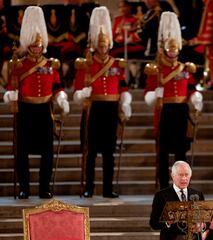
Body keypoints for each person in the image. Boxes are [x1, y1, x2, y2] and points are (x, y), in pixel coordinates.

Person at [2, 6, 70, 199]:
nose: (36, 48)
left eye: (39, 45)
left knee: (47, 153)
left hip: (44, 111)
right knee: (22, 152)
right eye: (33, 45)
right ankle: (24, 187)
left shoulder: (50, 64)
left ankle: (44, 188)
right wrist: (10, 96)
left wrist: (62, 98)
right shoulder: (19, 64)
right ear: (28, 44)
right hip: (25, 110)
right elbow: (10, 88)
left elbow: (57, 86)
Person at [73, 6, 132, 198]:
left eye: (105, 45)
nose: (103, 48)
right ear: (95, 46)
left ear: (109, 45)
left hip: (111, 109)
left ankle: (107, 188)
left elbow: (123, 85)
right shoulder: (86, 64)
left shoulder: (116, 64)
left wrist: (125, 101)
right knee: (91, 152)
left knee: (109, 152)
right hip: (94, 109)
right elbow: (77, 90)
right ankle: (89, 187)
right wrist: (84, 93)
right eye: (100, 46)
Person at [144, 12, 203, 190]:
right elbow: (148, 91)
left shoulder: (184, 69)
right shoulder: (157, 69)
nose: (172, 52)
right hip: (165, 111)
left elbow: (191, 87)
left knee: (180, 152)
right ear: (164, 50)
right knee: (162, 153)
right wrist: (155, 95)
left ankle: (181, 185)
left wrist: (196, 97)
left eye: (175, 49)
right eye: (170, 49)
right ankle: (163, 186)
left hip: (181, 111)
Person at [149, 160, 205, 240]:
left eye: (186, 175)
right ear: (173, 176)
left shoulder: (198, 194)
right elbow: (153, 223)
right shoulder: (160, 196)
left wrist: (202, 225)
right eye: (181, 175)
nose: (184, 178)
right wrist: (167, 222)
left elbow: (206, 219)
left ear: (190, 176)